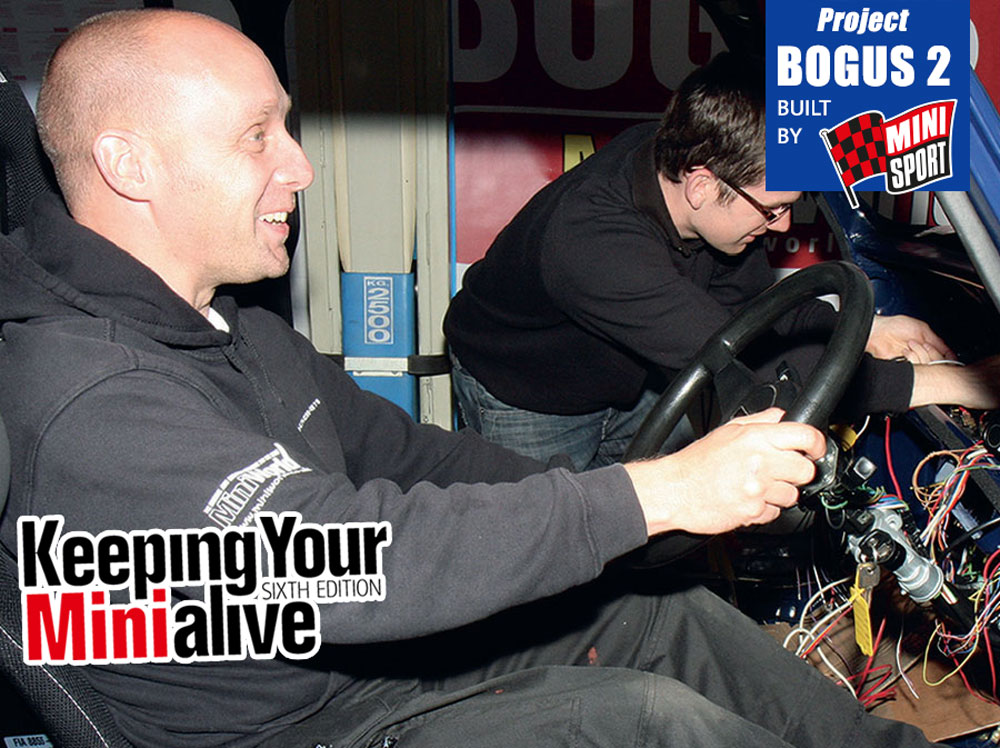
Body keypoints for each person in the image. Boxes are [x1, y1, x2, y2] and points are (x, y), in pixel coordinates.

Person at [0, 10, 945, 748]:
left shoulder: (234, 327)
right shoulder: (90, 402)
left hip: (356, 670)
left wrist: (616, 511)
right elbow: (349, 560)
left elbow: (408, 458)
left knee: (663, 614)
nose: (300, 165)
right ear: (130, 166)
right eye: (258, 137)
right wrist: (647, 496)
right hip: (299, 728)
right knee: (646, 722)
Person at [444, 53, 1000, 471]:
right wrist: (963, 384)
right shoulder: (592, 245)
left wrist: (865, 329)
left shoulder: (698, 172)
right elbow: (753, 367)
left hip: (629, 377)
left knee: (638, 539)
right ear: (703, 185)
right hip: (529, 393)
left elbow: (755, 315)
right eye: (773, 208)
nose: (782, 225)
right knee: (556, 558)